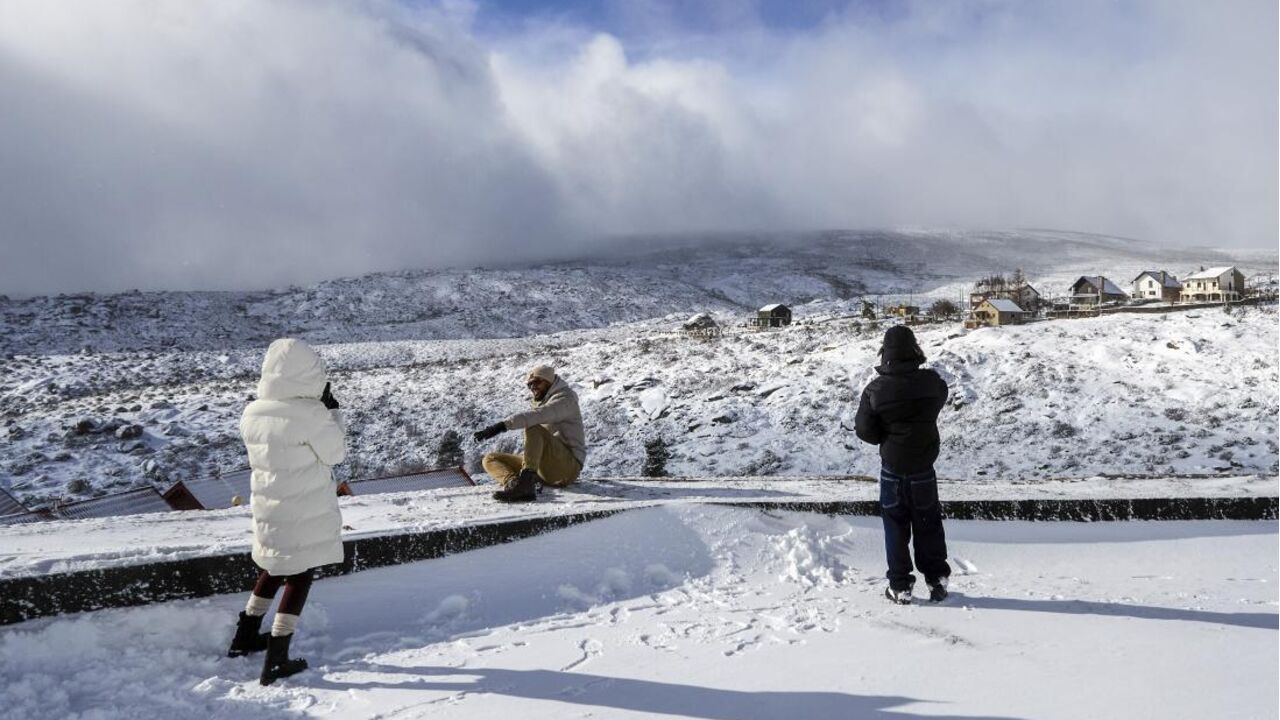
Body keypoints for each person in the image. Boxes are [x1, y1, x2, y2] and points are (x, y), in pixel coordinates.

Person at [227, 338, 347, 685]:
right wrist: (332, 413)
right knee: (300, 573)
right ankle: (277, 658)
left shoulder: (252, 411)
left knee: (274, 565)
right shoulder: (310, 414)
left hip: (268, 505)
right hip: (302, 507)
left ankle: (244, 636)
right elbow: (335, 453)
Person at [855, 325, 952, 605]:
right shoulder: (933, 383)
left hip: (893, 469)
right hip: (923, 468)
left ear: (885, 353)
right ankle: (937, 579)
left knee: (895, 526)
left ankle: (900, 586)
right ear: (914, 349)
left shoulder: (875, 389)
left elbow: (865, 431)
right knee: (928, 523)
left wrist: (886, 434)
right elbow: (940, 399)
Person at [473, 365, 586, 502]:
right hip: (544, 469)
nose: (533, 387)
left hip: (567, 469)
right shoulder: (541, 401)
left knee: (533, 427)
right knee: (490, 459)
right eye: (530, 385)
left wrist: (502, 426)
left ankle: (526, 484)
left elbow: (539, 415)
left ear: (549, 381)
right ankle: (514, 484)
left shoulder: (565, 399)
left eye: (537, 382)